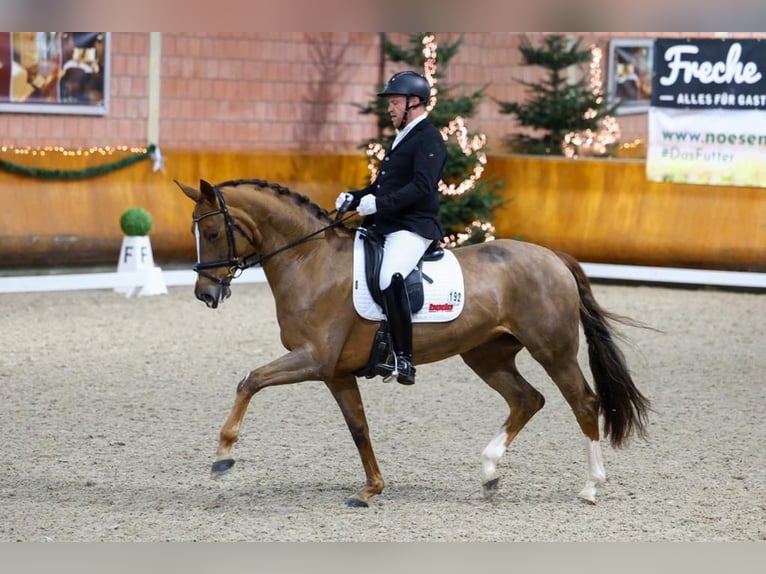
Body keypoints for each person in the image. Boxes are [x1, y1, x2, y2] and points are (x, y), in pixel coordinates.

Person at [335, 70, 447, 385]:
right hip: (388, 224)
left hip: (413, 226)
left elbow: (422, 187)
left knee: (389, 276)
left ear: (415, 102)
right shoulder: (402, 136)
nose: (390, 108)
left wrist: (379, 205)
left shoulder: (428, 137)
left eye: (395, 102)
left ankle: (403, 358)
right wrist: (355, 197)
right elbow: (383, 185)